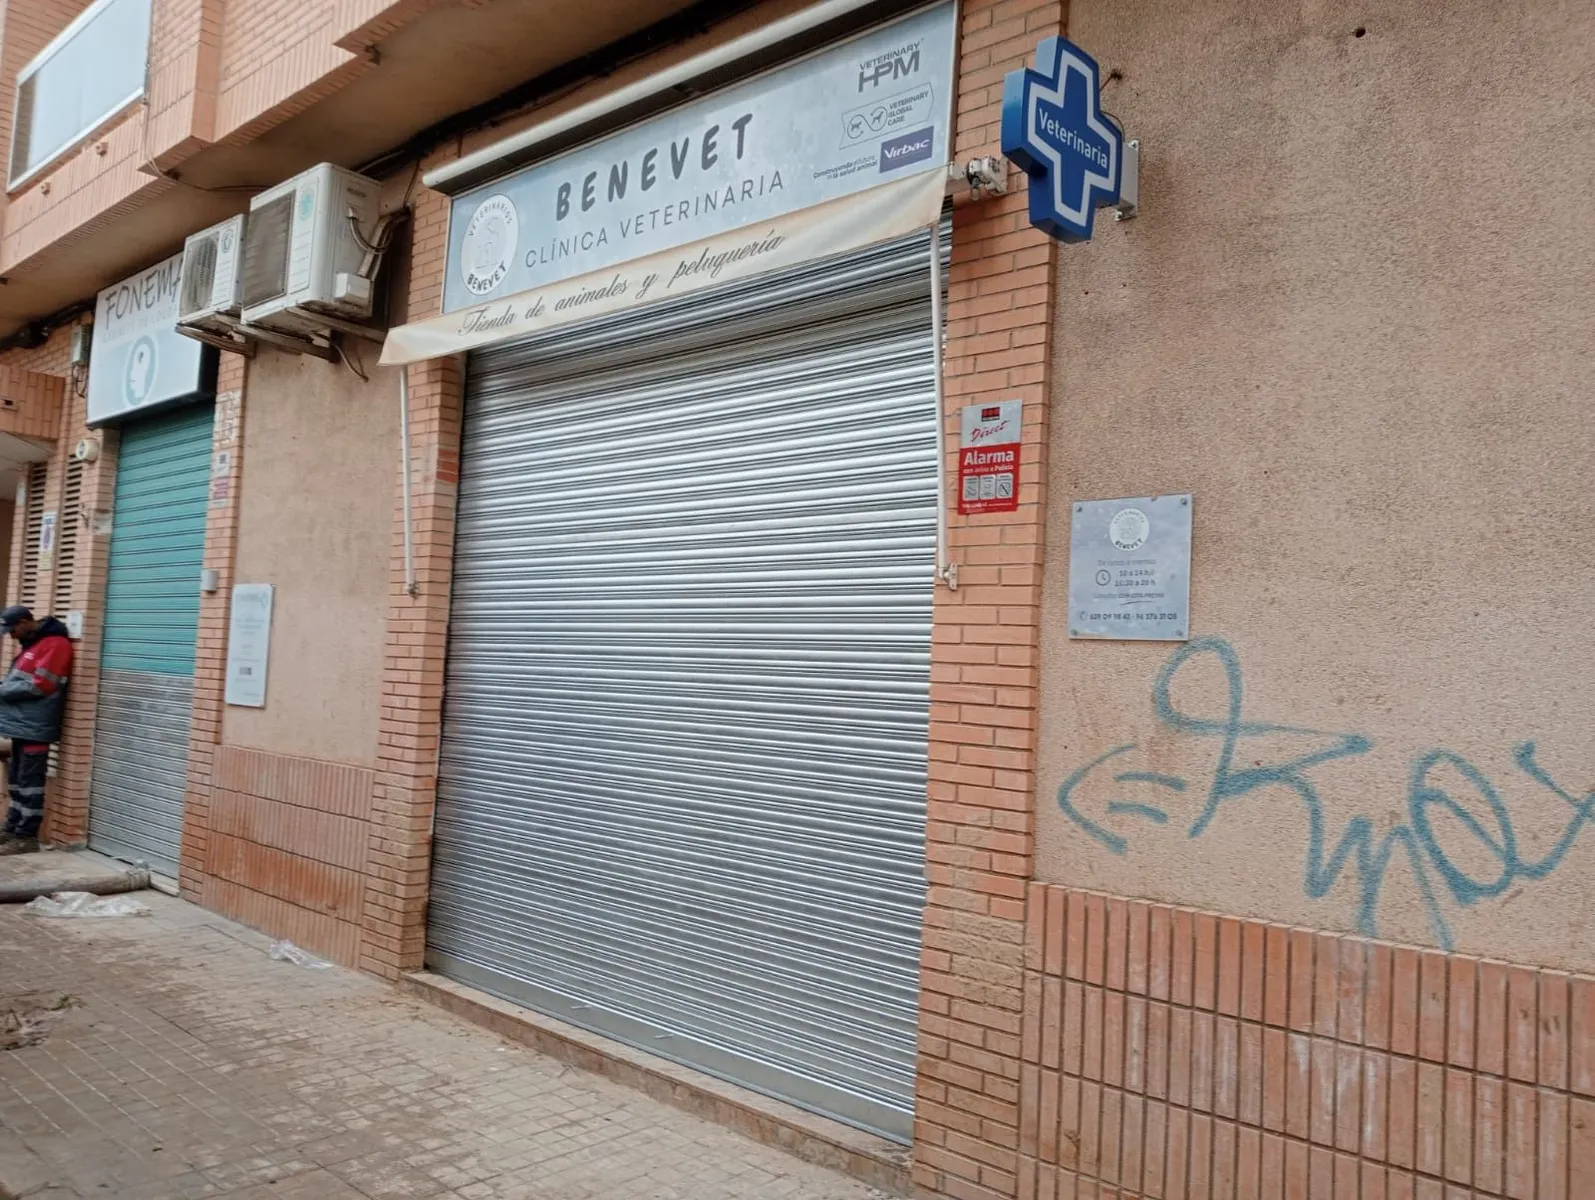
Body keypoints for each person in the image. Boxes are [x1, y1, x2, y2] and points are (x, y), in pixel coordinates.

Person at [0, 607, 72, 855]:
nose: (11, 636)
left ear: (24, 622)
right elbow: (18, 680)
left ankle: (26, 837)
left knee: (31, 784)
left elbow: (42, 685)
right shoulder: (33, 644)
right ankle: (12, 828)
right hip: (22, 725)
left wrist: (2, 690)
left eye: (12, 630)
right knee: (17, 782)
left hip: (36, 727)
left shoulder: (55, 644)